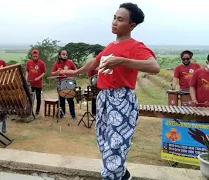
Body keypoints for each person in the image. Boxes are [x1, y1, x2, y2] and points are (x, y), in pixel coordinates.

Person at [60, 3, 160, 180]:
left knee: (115, 145)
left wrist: (122, 61)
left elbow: (154, 66)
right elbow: (95, 62)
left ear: (132, 26)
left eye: (120, 19)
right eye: (114, 17)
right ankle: (122, 175)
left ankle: (113, 177)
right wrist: (75, 72)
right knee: (104, 141)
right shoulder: (111, 45)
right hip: (104, 97)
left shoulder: (135, 46)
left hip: (121, 98)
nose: (114, 22)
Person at [51, 50, 77, 120]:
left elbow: (76, 71)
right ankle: (62, 113)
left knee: (70, 100)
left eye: (66, 54)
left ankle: (73, 115)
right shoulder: (56, 64)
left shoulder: (70, 62)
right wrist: (57, 72)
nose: (65, 56)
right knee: (61, 100)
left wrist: (71, 76)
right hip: (60, 84)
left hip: (69, 84)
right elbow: (52, 73)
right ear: (59, 56)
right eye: (63, 54)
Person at [25, 49, 46, 116]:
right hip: (31, 83)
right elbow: (27, 71)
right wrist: (26, 79)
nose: (35, 58)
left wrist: (39, 78)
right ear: (32, 56)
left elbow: (44, 72)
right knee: (30, 97)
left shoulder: (42, 63)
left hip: (38, 83)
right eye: (33, 56)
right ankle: (30, 110)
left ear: (38, 56)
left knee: (38, 97)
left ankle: (37, 111)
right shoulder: (29, 62)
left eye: (36, 56)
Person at [87, 48, 103, 116]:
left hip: (103, 84)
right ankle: (94, 114)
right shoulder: (93, 63)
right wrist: (91, 84)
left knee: (102, 98)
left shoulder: (105, 62)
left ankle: (102, 113)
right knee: (94, 98)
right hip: (95, 84)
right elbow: (90, 76)